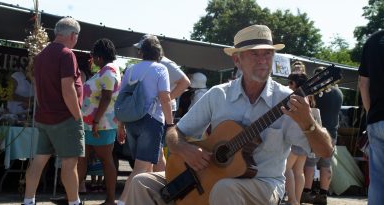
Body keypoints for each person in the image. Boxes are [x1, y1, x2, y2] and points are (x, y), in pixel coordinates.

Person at [125, 24, 334, 205]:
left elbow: (325, 151)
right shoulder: (218, 95)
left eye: (267, 53)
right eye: (254, 53)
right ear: (237, 60)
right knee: (141, 182)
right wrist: (185, 148)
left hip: (264, 184)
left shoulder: (287, 99)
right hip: (210, 177)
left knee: (224, 188)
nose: (263, 60)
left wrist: (309, 123)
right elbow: (174, 133)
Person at [23, 17, 84, 205]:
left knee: (38, 161)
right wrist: (77, 116)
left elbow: (38, 90)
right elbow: (68, 88)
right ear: (73, 35)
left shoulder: (41, 55)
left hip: (45, 118)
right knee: (69, 164)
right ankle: (75, 202)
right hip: (65, 118)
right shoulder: (66, 54)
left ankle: (28, 201)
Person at [117, 35, 174, 205]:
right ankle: (122, 202)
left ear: (141, 51)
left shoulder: (131, 69)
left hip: (131, 122)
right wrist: (170, 125)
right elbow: (165, 98)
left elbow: (123, 98)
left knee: (153, 165)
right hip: (151, 121)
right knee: (140, 170)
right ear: (158, 52)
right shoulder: (160, 69)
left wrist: (121, 125)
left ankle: (166, 197)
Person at [133, 34, 190, 172]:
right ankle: (161, 185)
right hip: (156, 111)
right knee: (155, 152)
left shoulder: (165, 63)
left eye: (141, 49)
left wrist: (166, 99)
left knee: (155, 151)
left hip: (163, 112)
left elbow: (185, 82)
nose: (139, 52)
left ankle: (163, 184)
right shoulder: (153, 64)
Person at [77, 38, 121, 205]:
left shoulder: (109, 71)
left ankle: (110, 200)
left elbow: (107, 97)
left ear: (99, 57)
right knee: (82, 158)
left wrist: (95, 121)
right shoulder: (106, 70)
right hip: (92, 124)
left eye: (94, 56)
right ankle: (73, 197)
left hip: (101, 125)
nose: (92, 59)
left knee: (105, 159)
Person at [301, 66, 343, 205]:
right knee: (326, 164)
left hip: (317, 132)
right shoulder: (338, 93)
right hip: (332, 133)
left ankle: (306, 192)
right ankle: (323, 194)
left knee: (310, 163)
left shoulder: (319, 91)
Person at [358, 30, 384, 205]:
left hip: (376, 119)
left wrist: (370, 114)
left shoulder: (373, 40)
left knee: (378, 182)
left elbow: (363, 83)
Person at [284, 73, 317, 205]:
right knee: (298, 171)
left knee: (287, 169)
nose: (288, 86)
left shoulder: (296, 97)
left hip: (295, 138)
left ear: (295, 84)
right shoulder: (308, 97)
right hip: (305, 138)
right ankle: (296, 200)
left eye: (290, 83)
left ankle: (292, 199)